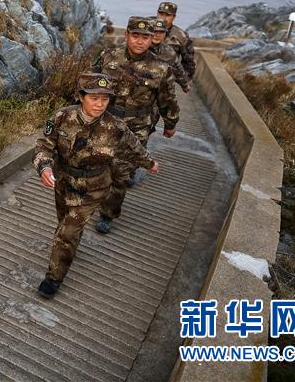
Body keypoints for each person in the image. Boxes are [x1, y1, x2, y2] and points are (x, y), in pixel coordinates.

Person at [34, 72, 158, 299]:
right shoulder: (61, 116)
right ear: (81, 97)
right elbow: (44, 145)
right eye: (94, 98)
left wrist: (150, 163)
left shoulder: (116, 127)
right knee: (64, 221)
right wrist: (44, 167)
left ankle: (53, 279)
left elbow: (135, 147)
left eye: (105, 99)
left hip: (93, 189)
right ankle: (69, 246)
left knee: (67, 232)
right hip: (63, 182)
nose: (100, 104)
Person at [92, 16, 179, 233]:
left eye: (145, 37)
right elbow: (90, 84)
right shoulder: (108, 56)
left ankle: (107, 214)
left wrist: (170, 123)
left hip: (136, 128)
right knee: (97, 164)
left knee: (119, 173)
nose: (140, 41)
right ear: (127, 35)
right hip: (105, 121)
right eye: (136, 36)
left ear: (152, 39)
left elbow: (167, 100)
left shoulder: (161, 68)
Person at [156, 1, 196, 84]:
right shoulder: (146, 28)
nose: (163, 18)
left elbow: (189, 62)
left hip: (166, 80)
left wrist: (183, 81)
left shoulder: (181, 36)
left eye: (167, 15)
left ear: (174, 17)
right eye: (161, 14)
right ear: (157, 13)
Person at [150, 18, 190, 93]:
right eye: (154, 31)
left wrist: (184, 85)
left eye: (161, 32)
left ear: (165, 34)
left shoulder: (169, 52)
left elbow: (177, 69)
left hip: (158, 89)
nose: (157, 35)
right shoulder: (138, 47)